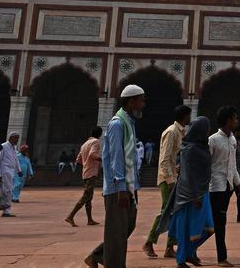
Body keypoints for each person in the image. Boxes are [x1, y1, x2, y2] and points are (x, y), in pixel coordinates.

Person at [85, 84, 146, 268]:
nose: (143, 104)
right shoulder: (117, 124)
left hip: (129, 185)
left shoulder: (128, 122)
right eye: (141, 100)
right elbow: (115, 157)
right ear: (132, 100)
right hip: (118, 187)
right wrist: (120, 187)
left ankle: (98, 255)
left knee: (126, 226)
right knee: (117, 232)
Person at [158, 115, 215, 268]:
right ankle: (181, 260)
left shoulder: (201, 146)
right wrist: (195, 195)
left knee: (209, 227)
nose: (209, 132)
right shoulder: (190, 149)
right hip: (189, 195)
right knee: (186, 228)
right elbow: (188, 174)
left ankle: (189, 252)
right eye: (207, 129)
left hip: (202, 191)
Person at [143, 104, 192, 259]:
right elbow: (164, 159)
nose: (190, 118)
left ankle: (169, 247)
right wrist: (170, 180)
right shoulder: (171, 132)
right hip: (167, 179)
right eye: (189, 115)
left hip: (174, 176)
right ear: (185, 116)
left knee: (174, 212)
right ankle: (149, 242)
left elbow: (172, 158)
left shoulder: (180, 132)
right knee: (165, 211)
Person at [209, 106, 240, 267]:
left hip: (227, 187)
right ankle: (221, 258)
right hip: (215, 188)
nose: (236, 121)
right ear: (228, 120)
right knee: (216, 223)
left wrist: (239, 185)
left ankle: (190, 249)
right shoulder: (213, 140)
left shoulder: (233, 140)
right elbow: (206, 166)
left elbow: (233, 166)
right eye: (235, 118)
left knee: (218, 223)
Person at [68, 125, 104, 226]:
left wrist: (86, 163)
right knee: (86, 196)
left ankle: (89, 219)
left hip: (85, 172)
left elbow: (78, 159)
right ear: (100, 134)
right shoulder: (95, 142)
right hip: (92, 172)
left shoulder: (85, 144)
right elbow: (92, 154)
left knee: (89, 197)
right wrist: (102, 159)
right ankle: (70, 216)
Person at [0, 132, 21, 217]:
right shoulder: (3, 146)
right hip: (3, 172)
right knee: (6, 192)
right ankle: (6, 211)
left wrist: (19, 170)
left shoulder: (14, 148)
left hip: (10, 172)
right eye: (16, 138)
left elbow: (16, 159)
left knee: (5, 192)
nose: (17, 140)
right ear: (11, 138)